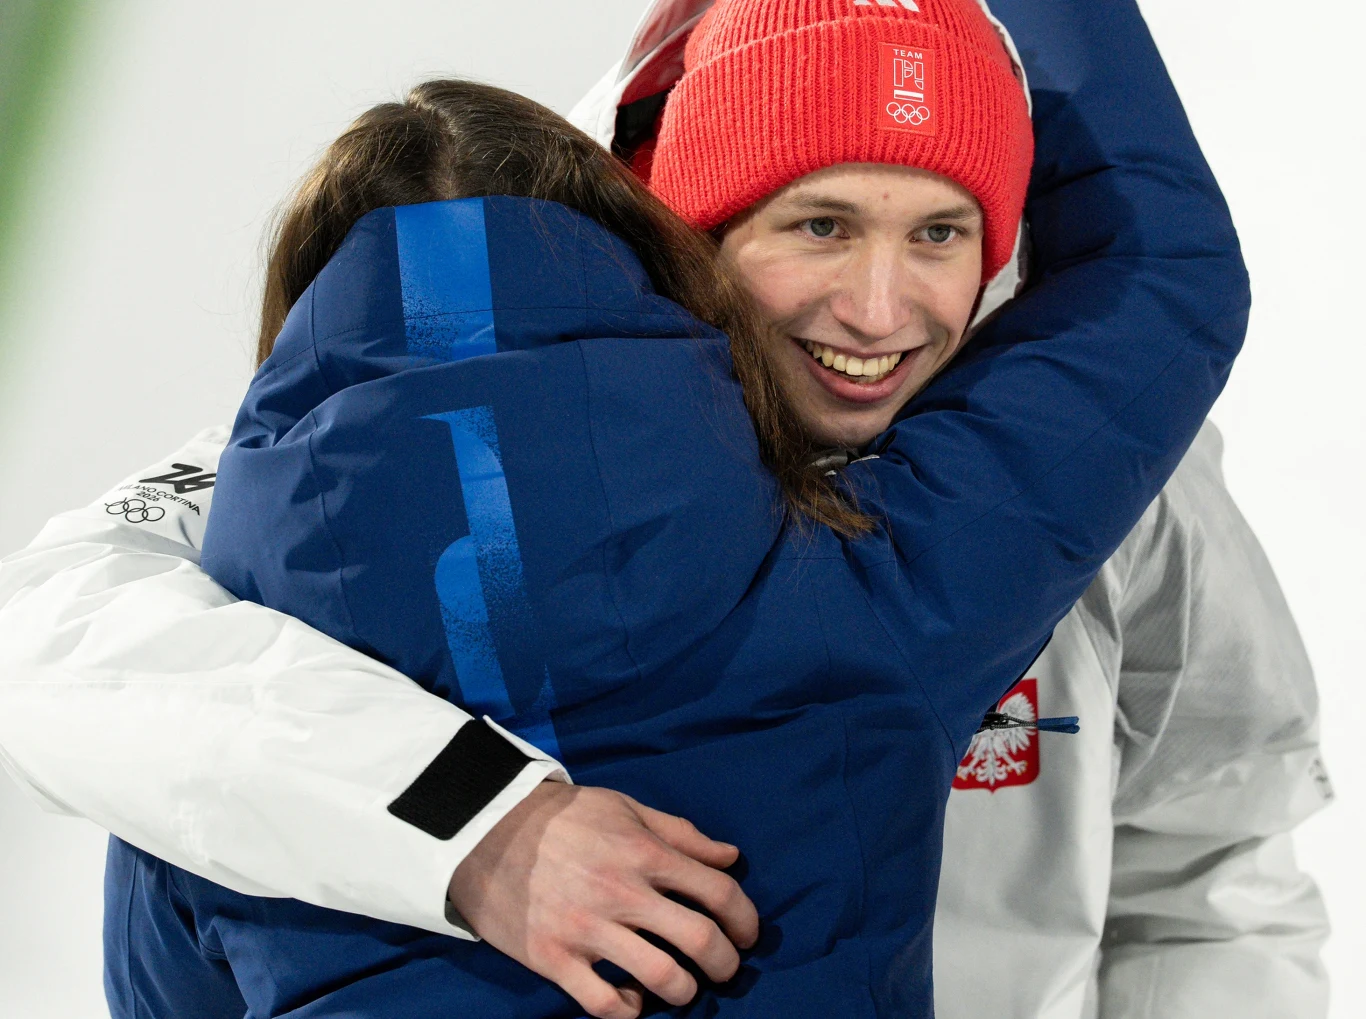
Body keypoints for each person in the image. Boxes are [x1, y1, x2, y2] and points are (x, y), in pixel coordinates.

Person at [0, 1, 1312, 1016]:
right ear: (678, 234)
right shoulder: (431, 460)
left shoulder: (1130, 482)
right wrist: (474, 818)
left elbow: (1210, 870)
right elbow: (53, 637)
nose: (877, 309)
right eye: (814, 226)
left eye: (938, 233)